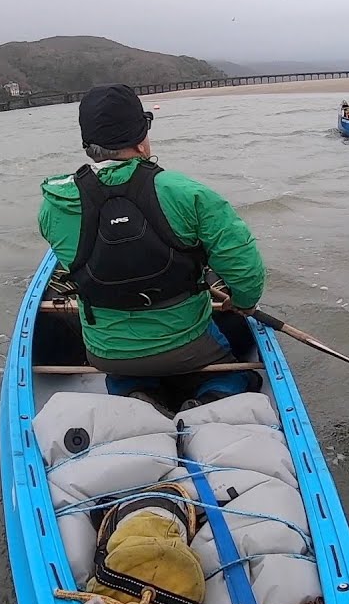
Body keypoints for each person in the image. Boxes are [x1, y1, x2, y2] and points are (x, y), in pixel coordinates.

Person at [38, 83, 266, 414]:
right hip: (188, 346)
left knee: (121, 372)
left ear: (89, 144)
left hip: (106, 351)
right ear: (142, 134)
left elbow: (75, 263)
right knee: (230, 367)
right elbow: (245, 271)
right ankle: (213, 395)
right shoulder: (188, 193)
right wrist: (243, 303)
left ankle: (133, 392)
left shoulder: (54, 206)